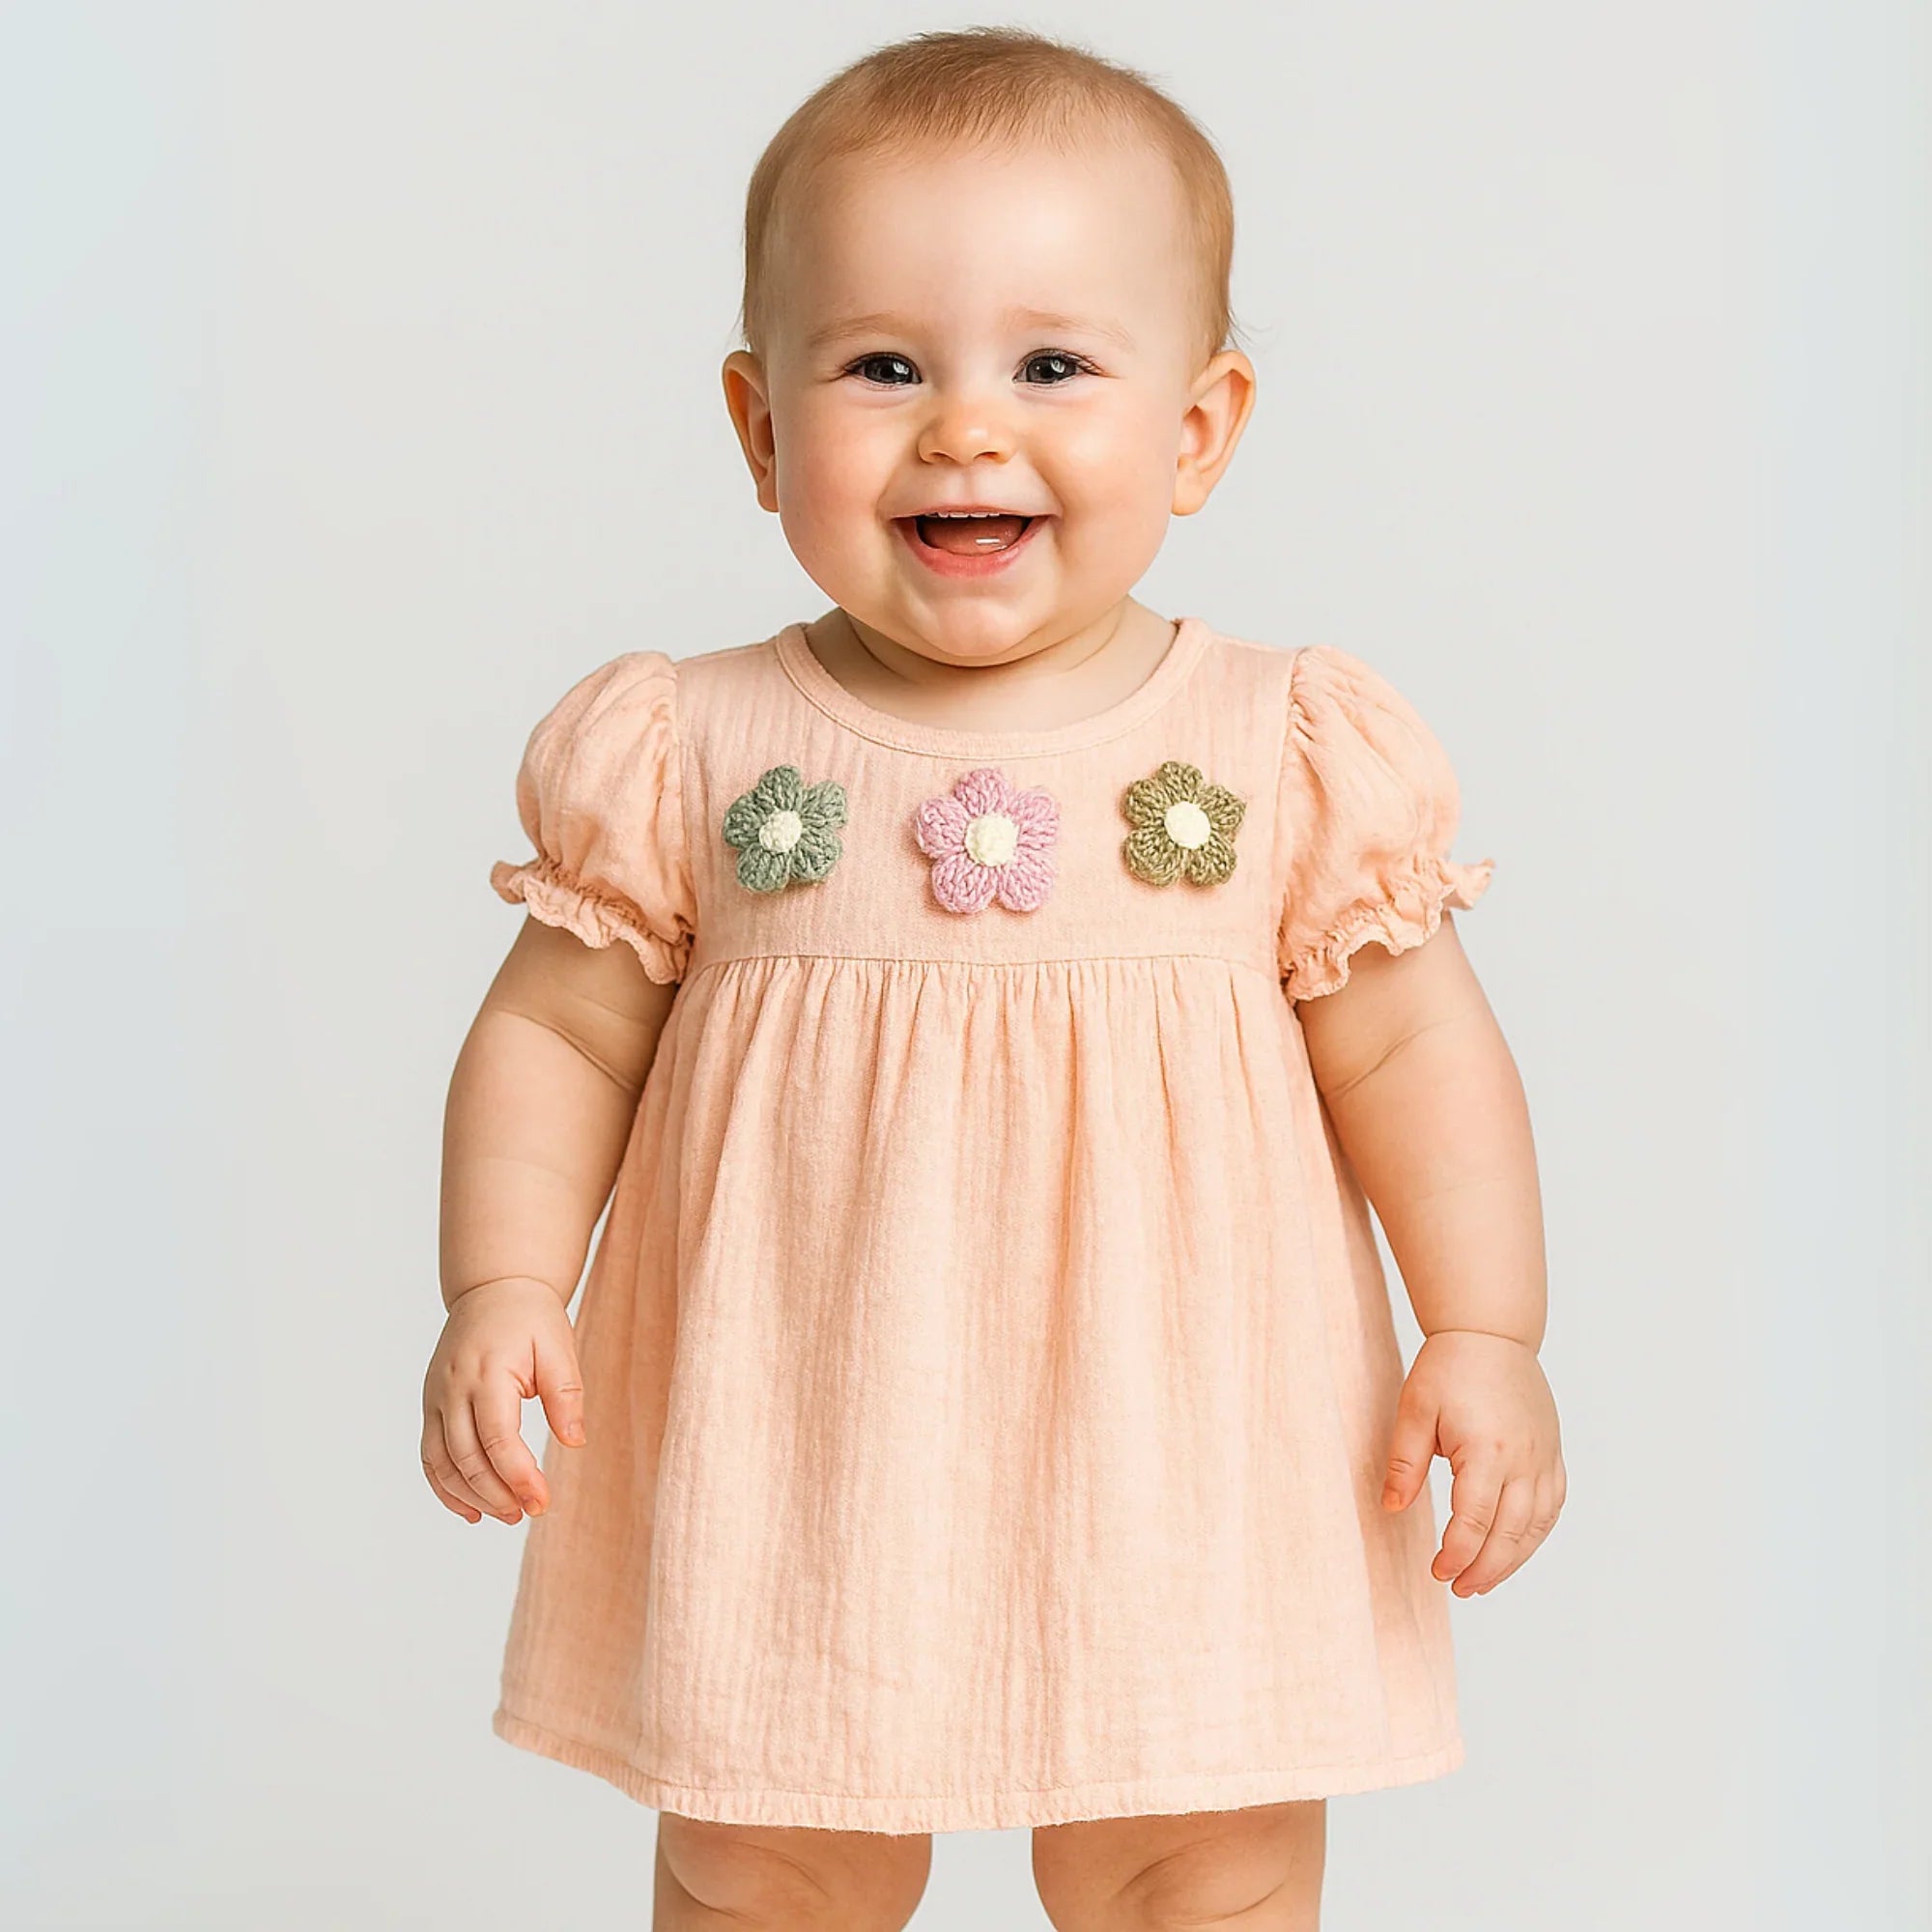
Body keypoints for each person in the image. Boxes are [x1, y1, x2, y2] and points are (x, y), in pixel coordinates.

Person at [425, 26, 1562, 1930]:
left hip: (1181, 1432)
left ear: (1197, 428)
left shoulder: (1275, 746)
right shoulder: (687, 745)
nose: (964, 425)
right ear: (758, 424)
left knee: (1198, 1850)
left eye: (1051, 364)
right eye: (883, 365)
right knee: (762, 1848)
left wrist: (1486, 1331)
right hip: (796, 1424)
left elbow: (1414, 1042)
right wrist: (501, 1281)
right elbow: (553, 1025)